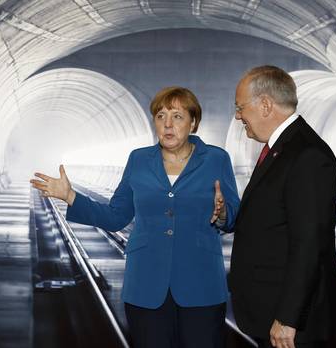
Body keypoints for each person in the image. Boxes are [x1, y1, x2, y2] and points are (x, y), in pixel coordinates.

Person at [30, 86, 240, 348]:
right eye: (160, 116)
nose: (167, 124)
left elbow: (233, 217)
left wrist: (221, 215)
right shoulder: (139, 160)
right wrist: (71, 196)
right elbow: (116, 215)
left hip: (201, 284)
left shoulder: (216, 159)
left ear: (193, 122)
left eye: (177, 116)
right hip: (146, 285)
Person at [228, 66, 336, 348]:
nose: (237, 115)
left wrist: (288, 317)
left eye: (240, 107)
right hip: (269, 311)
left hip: (290, 326)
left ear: (266, 105)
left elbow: (308, 244)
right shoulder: (282, 149)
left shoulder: (307, 155)